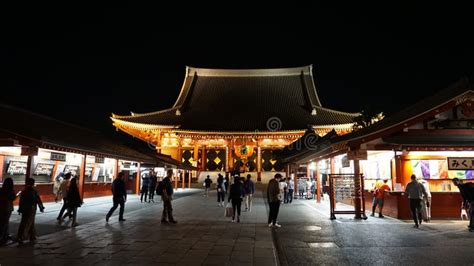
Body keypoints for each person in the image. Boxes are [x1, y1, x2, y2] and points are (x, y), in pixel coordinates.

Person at [17, 178, 44, 245]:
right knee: (29, 222)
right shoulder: (34, 191)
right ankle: (21, 237)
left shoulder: (24, 191)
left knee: (24, 222)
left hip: (24, 208)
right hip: (32, 208)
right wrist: (41, 207)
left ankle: (32, 236)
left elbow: (21, 201)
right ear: (33, 183)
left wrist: (20, 209)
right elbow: (38, 200)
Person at [0, 178, 17, 244]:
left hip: (1, 207)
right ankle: (4, 236)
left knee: (1, 222)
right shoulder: (11, 191)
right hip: (8, 208)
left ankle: (4, 235)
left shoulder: (1, 190)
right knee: (5, 222)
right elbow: (13, 198)